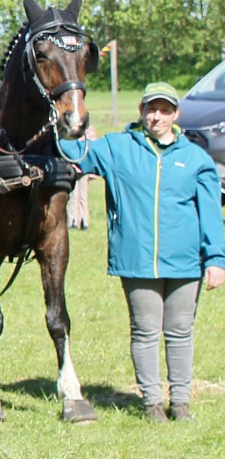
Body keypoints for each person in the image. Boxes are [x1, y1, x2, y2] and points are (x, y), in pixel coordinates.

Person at [59, 83, 225, 422]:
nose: (157, 117)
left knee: (180, 332)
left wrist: (216, 260)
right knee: (145, 331)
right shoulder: (117, 148)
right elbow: (71, 152)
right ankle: (151, 404)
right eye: (151, 109)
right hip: (136, 262)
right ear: (141, 110)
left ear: (176, 114)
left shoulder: (195, 159)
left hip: (185, 264)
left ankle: (180, 402)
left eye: (165, 110)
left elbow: (210, 213)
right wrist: (55, 124)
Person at [65, 123, 100, 229]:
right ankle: (75, 221)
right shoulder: (86, 131)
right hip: (77, 168)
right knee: (75, 196)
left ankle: (80, 221)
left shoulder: (78, 131)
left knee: (79, 196)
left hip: (81, 168)